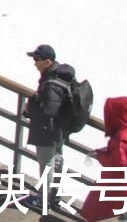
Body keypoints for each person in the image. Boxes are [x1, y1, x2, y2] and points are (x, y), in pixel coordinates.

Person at [22, 44, 79, 214]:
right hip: (60, 129)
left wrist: (30, 106)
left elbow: (49, 109)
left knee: (46, 164)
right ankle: (54, 196)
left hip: (48, 129)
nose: (34, 63)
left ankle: (43, 199)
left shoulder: (51, 82)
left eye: (37, 59)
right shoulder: (62, 76)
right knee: (57, 160)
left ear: (47, 61)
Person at [82, 97, 127, 222]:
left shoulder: (121, 139)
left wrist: (100, 155)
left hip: (116, 188)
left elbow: (116, 166)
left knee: (99, 212)